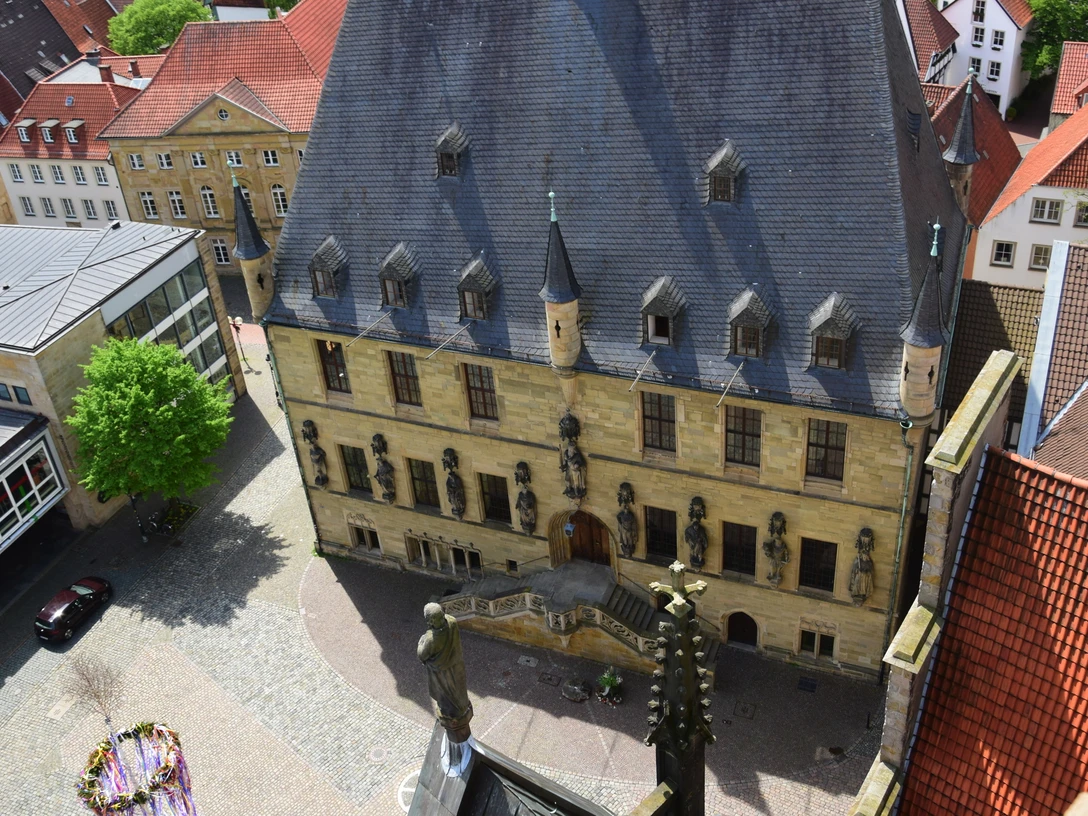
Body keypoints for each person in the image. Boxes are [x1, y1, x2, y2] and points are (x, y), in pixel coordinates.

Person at [417, 602, 473, 742]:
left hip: (442, 675)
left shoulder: (430, 639)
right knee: (459, 695)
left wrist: (421, 640)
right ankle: (461, 709)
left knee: (447, 701)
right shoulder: (451, 621)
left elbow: (422, 654)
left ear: (430, 621)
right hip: (456, 668)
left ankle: (453, 719)